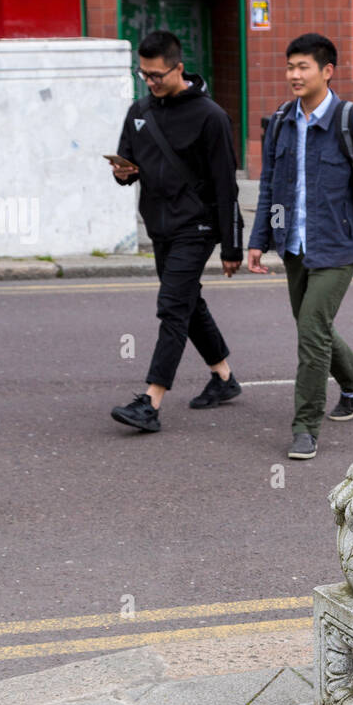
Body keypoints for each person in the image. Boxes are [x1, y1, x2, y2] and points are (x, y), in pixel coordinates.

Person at [247, 33, 353, 461]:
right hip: (293, 246)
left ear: (327, 71)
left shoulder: (352, 123)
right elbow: (272, 189)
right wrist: (260, 240)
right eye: (290, 66)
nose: (294, 75)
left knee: (311, 332)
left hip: (338, 247)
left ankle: (305, 428)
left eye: (303, 67)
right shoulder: (281, 122)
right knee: (313, 325)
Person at [108, 30, 244, 433]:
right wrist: (122, 172)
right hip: (160, 226)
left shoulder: (211, 117)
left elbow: (226, 186)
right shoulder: (138, 112)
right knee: (187, 301)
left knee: (171, 306)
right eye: (144, 75)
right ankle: (223, 377)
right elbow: (127, 167)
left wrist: (232, 243)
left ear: (178, 68)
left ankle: (150, 400)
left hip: (196, 227)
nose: (150, 83)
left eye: (157, 75)